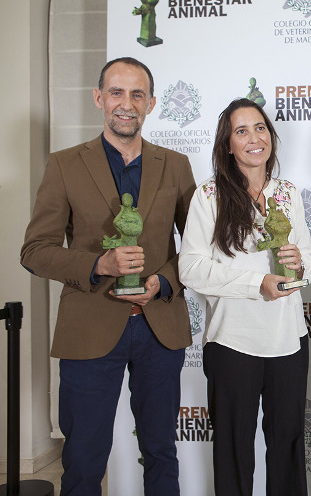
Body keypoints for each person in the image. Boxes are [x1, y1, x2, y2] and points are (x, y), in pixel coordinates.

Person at [20, 57, 196, 496]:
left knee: (161, 452)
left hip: (160, 328)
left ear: (151, 103)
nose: (126, 104)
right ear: (99, 98)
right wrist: (97, 265)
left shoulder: (175, 165)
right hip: (90, 329)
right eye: (116, 93)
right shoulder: (64, 165)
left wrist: (164, 282)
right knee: (82, 459)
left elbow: (197, 248)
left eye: (137, 94)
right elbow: (35, 251)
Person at [178, 98, 311, 496]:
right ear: (227, 144)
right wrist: (256, 284)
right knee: (234, 450)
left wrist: (300, 265)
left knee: (289, 445)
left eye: (259, 128)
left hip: (289, 341)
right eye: (241, 131)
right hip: (232, 342)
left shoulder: (288, 192)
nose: (254, 138)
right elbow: (190, 268)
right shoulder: (208, 196)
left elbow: (310, 261)